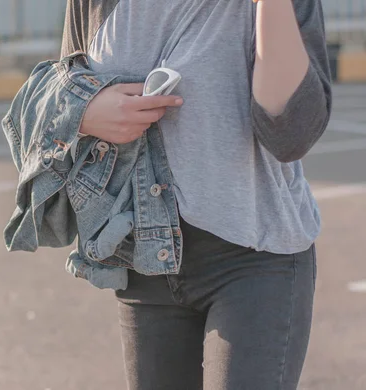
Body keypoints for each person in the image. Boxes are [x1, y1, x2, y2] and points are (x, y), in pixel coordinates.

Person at [60, 0, 332, 389]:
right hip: (144, 261)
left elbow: (291, 135)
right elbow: (63, 92)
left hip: (256, 258)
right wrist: (87, 112)